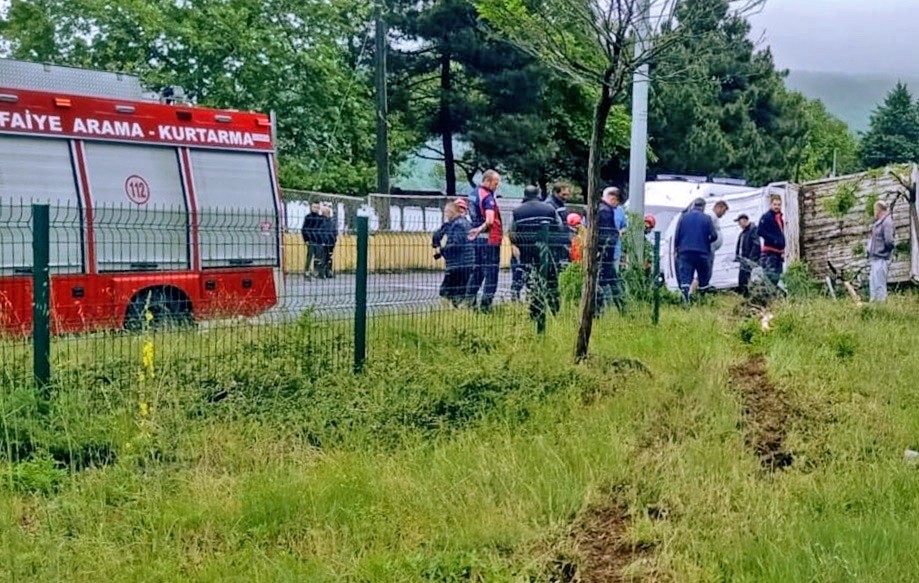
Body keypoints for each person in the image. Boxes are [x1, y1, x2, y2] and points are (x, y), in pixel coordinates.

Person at [510, 185, 562, 320]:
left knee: (529, 279)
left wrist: (517, 244)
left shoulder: (517, 211)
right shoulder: (550, 209)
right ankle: (553, 309)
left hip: (526, 251)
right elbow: (559, 227)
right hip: (547, 251)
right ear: (538, 194)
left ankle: (533, 309)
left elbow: (512, 232)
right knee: (550, 280)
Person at [465, 170, 504, 311]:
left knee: (478, 271)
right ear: (487, 180)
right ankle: (486, 306)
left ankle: (469, 302)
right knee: (491, 273)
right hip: (490, 239)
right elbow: (490, 220)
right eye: (495, 183)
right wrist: (479, 228)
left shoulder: (473, 194)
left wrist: (475, 230)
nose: (496, 186)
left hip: (478, 241)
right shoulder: (487, 197)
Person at [674, 198, 716, 304]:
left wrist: (677, 248)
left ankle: (685, 299)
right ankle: (701, 299)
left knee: (686, 277)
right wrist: (707, 241)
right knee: (703, 276)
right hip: (702, 252)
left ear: (693, 205)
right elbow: (714, 235)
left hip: (685, 252)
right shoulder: (707, 218)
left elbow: (677, 235)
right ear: (703, 206)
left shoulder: (683, 217)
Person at [433, 200, 474, 306]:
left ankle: (449, 314)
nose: (446, 214)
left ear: (452, 212)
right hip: (465, 263)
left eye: (447, 212)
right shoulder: (463, 223)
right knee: (459, 292)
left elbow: (457, 244)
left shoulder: (458, 225)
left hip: (458, 264)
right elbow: (437, 236)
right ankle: (459, 313)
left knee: (445, 292)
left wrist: (441, 250)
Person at [596, 187, 624, 314]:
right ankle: (598, 310)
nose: (616, 206)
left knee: (611, 282)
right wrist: (615, 236)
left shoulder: (597, 207)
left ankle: (623, 309)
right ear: (613, 199)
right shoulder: (606, 211)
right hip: (605, 254)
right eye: (616, 203)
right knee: (604, 282)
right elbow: (607, 234)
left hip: (599, 252)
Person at [868, 200, 895, 303]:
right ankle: (874, 309)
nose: (874, 212)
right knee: (873, 285)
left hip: (881, 259)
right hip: (875, 259)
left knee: (880, 286)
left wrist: (884, 252)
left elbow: (889, 241)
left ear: (878, 209)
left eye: (875, 209)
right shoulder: (878, 223)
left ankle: (882, 309)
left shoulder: (887, 222)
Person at [758, 195, 786, 287]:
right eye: (775, 204)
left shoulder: (779, 218)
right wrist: (774, 240)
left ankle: (772, 296)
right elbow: (760, 231)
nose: (777, 206)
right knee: (770, 275)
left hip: (778, 252)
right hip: (770, 252)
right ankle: (767, 295)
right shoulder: (766, 217)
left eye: (779, 204)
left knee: (777, 276)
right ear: (770, 204)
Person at [734, 213, 760, 296]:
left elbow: (756, 245)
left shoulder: (753, 230)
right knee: (742, 280)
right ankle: (744, 295)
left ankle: (749, 296)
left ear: (744, 221)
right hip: (743, 260)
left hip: (749, 260)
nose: (739, 224)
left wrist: (751, 259)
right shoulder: (743, 233)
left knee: (747, 279)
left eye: (739, 222)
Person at [708, 200, 729, 285]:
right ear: (718, 207)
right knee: (706, 272)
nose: (723, 214)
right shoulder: (711, 216)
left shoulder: (714, 217)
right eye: (723, 211)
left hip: (711, 249)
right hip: (709, 249)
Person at [300, 202, 322, 278]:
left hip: (318, 240)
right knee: (310, 255)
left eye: (317, 207)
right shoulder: (308, 217)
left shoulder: (320, 218)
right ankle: (306, 271)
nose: (315, 209)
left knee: (318, 256)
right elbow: (304, 229)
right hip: (311, 239)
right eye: (314, 207)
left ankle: (316, 272)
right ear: (311, 207)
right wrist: (306, 239)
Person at [317, 205, 337, 279]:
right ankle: (321, 272)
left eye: (328, 212)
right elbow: (319, 232)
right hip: (324, 242)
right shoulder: (321, 221)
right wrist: (322, 240)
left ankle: (328, 271)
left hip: (331, 242)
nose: (327, 214)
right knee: (323, 257)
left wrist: (334, 239)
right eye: (325, 212)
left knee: (329, 257)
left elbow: (334, 231)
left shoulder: (331, 222)